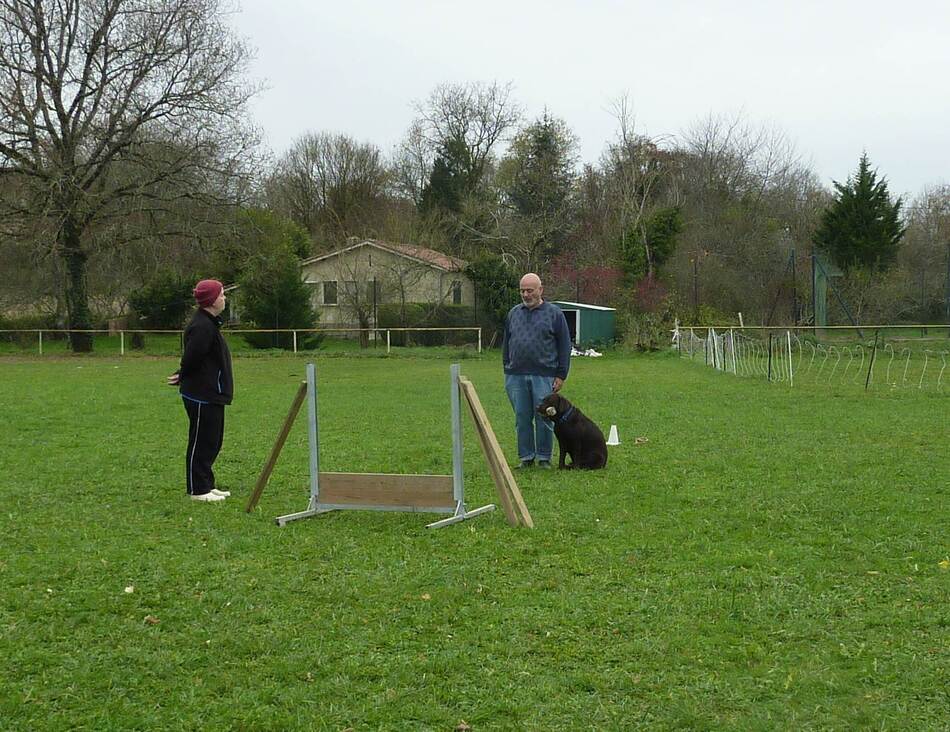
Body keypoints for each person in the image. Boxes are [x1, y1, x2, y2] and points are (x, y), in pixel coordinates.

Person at [167, 279, 234, 502]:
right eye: (222, 295)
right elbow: (192, 358)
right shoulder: (202, 326)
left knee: (212, 440)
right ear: (212, 300)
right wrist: (182, 374)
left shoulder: (210, 323)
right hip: (201, 394)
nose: (224, 298)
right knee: (201, 440)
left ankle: (207, 483)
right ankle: (197, 489)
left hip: (212, 393)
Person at [501, 272, 571, 469]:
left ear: (540, 290)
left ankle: (544, 457)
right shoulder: (513, 313)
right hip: (516, 376)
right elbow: (506, 343)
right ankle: (526, 457)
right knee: (522, 419)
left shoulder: (555, 314)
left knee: (545, 418)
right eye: (522, 291)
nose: (526, 294)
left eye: (530, 290)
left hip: (544, 375)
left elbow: (564, 345)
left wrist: (561, 374)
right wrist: (507, 368)